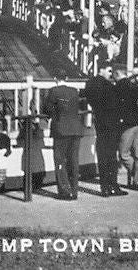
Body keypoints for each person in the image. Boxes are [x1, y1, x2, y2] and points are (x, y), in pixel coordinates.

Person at [81, 64, 126, 197]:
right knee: (111, 156)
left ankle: (104, 187)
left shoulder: (90, 84)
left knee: (102, 154)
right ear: (102, 69)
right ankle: (113, 185)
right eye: (109, 70)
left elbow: (88, 99)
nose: (111, 74)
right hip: (112, 122)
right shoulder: (108, 86)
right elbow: (116, 103)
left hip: (99, 121)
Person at [42, 71, 85, 200]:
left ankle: (65, 191)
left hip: (61, 129)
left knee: (60, 160)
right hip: (76, 129)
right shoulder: (74, 91)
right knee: (73, 160)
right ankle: (74, 190)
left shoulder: (53, 91)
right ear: (66, 78)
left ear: (55, 78)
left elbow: (47, 109)